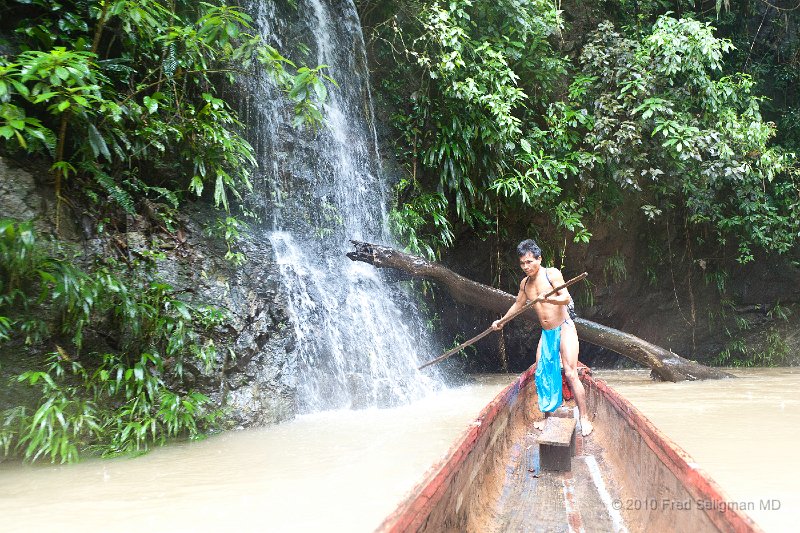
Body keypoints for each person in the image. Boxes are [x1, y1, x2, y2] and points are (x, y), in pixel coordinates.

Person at [491, 239, 593, 437]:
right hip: (547, 332)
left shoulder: (551, 273)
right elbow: (518, 305)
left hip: (564, 327)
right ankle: (548, 418)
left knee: (571, 373)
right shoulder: (525, 284)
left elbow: (565, 298)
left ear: (539, 258)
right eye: (522, 263)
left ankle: (585, 418)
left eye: (530, 261)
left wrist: (547, 298)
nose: (526, 267)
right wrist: (502, 321)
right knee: (541, 374)